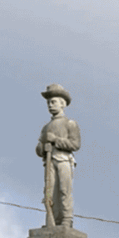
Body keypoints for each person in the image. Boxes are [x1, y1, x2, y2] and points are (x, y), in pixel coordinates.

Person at [37, 85, 81, 228]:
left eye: (53, 102)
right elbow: (38, 149)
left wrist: (56, 140)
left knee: (64, 190)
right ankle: (53, 221)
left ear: (62, 104)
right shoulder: (46, 127)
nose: (50, 105)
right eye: (48, 102)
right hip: (49, 162)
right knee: (49, 193)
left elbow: (75, 144)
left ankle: (66, 220)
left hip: (63, 159)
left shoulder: (70, 123)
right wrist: (43, 147)